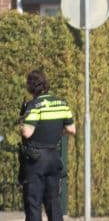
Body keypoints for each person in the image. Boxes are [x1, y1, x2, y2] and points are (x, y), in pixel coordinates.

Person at [19, 69, 75, 221]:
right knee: (53, 201)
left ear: (31, 87)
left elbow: (27, 133)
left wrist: (22, 123)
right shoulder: (61, 103)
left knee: (33, 202)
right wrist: (57, 132)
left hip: (36, 159)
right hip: (53, 157)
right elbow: (71, 129)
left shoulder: (34, 105)